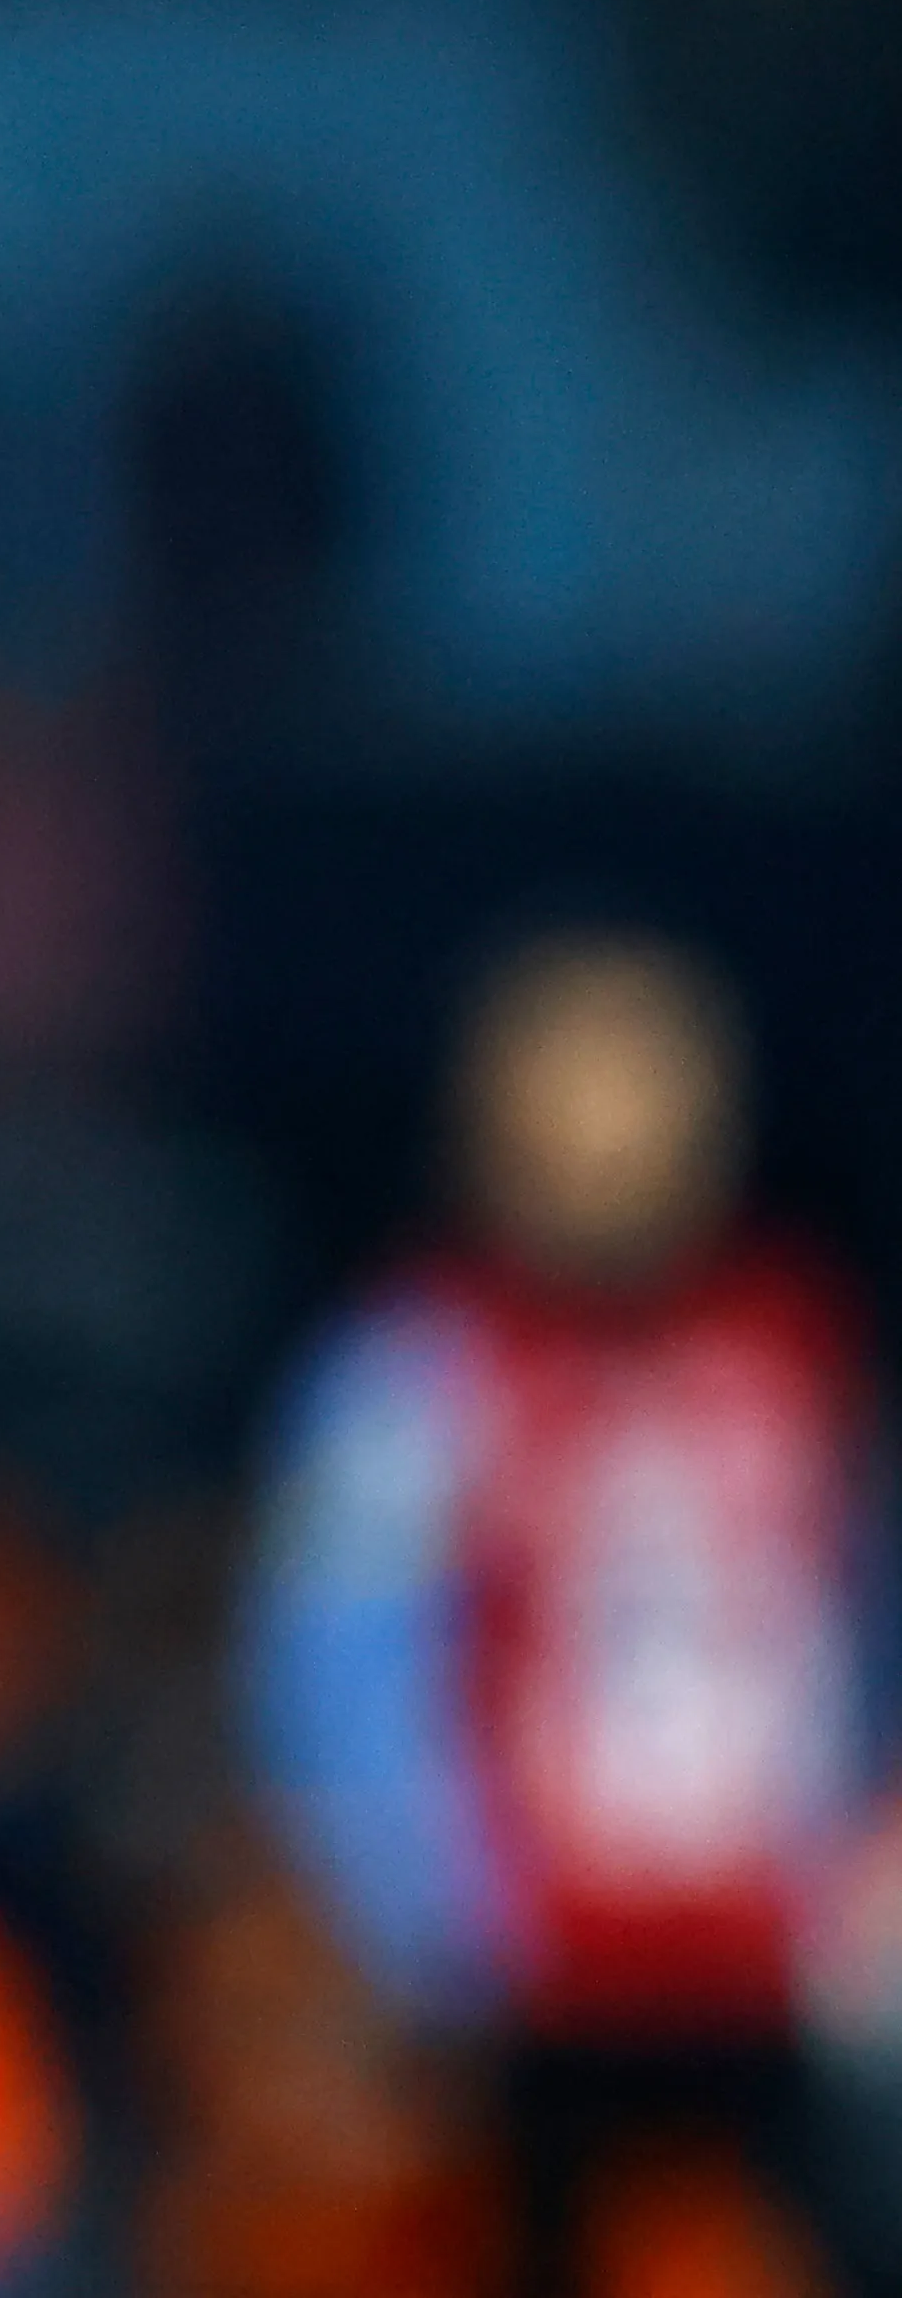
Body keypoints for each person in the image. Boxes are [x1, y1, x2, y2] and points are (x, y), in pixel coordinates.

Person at [248, 926, 884, 2295]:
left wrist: (857, 1875)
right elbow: (337, 1670)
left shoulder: (791, 1338)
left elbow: (854, 1614)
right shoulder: (424, 1364)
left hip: (774, 1975)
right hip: (531, 1992)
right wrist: (432, 1928)